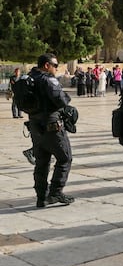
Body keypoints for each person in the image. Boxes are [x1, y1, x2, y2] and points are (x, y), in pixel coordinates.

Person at [27, 54, 75, 208]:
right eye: (55, 65)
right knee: (65, 158)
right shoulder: (47, 79)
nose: (56, 68)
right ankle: (55, 192)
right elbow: (61, 99)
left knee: (42, 163)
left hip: (35, 127)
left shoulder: (29, 78)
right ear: (47, 65)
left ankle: (41, 197)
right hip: (52, 126)